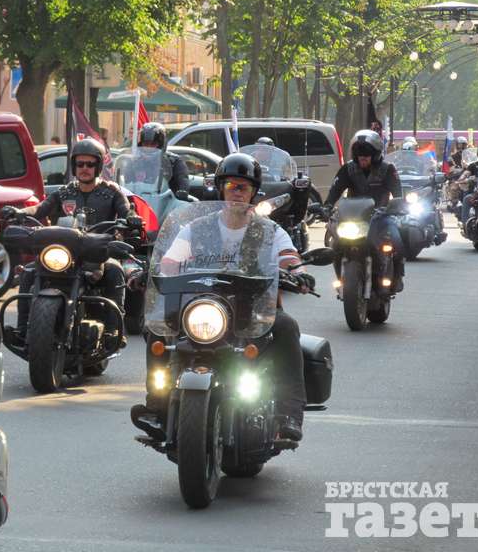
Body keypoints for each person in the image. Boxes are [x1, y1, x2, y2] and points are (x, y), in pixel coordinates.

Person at [131, 153, 313, 444]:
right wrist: (152, 273)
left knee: (286, 327)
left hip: (254, 310)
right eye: (231, 186)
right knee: (155, 327)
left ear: (254, 192)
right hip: (201, 308)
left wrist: (298, 271)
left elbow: (288, 256)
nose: (237, 193)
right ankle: (157, 404)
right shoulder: (196, 227)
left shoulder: (268, 230)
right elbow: (170, 260)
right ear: (221, 189)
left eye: (243, 187)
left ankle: (289, 415)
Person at [2, 138, 142, 348]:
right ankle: (23, 328)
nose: (84, 168)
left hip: (98, 252)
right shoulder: (64, 192)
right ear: (74, 166)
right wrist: (20, 212)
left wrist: (131, 218)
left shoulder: (111, 192)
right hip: (64, 252)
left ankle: (114, 331)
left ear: (98, 166)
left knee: (114, 271)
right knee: (30, 272)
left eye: (90, 164)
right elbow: (40, 209)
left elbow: (127, 210)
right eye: (80, 164)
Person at [323, 129, 405, 292]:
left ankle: (397, 277)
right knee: (336, 244)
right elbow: (335, 190)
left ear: (375, 154)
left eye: (366, 154)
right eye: (359, 154)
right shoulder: (348, 169)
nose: (362, 158)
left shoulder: (388, 169)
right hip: (353, 218)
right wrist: (326, 206)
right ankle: (341, 278)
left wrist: (397, 205)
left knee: (397, 240)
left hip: (381, 216)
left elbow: (397, 193)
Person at [138, 122, 189, 195]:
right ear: (141, 144)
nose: (149, 147)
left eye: (153, 144)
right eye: (146, 144)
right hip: (140, 202)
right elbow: (125, 184)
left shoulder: (174, 162)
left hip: (166, 203)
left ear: (161, 144)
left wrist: (183, 192)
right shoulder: (135, 163)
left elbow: (183, 180)